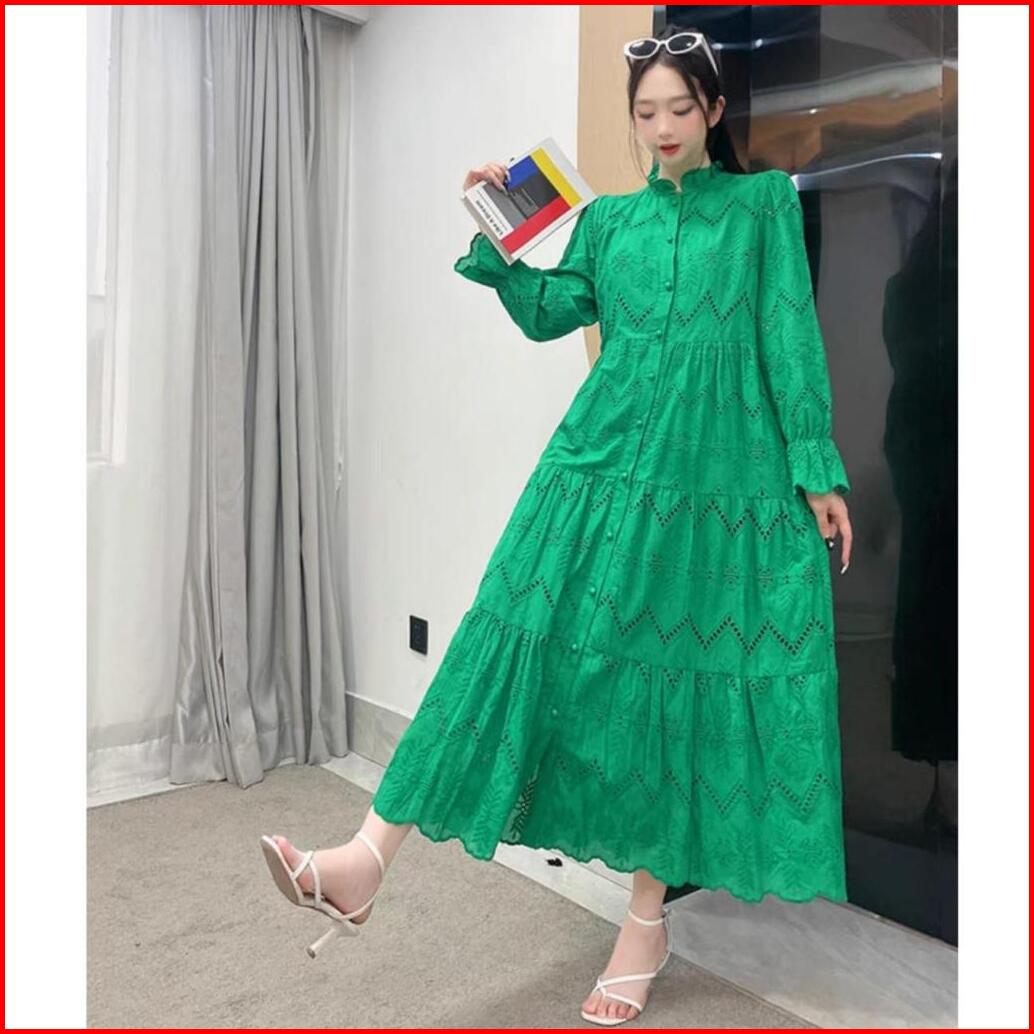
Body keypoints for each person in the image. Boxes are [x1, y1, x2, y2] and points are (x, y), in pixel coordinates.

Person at [260, 23, 854, 1026]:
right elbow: (550, 314)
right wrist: (496, 237)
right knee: (507, 635)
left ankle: (643, 922)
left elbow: (785, 334)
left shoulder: (759, 208)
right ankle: (364, 856)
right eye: (644, 112)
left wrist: (813, 462)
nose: (660, 128)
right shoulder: (609, 223)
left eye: (679, 108)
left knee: (677, 681)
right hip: (598, 464)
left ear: (713, 110)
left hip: (717, 482)